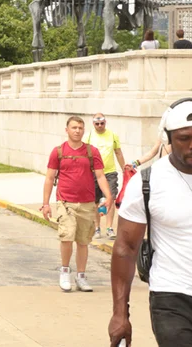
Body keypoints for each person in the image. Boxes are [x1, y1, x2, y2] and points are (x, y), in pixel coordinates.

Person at [109, 98, 192, 347]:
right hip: (173, 298)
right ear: (168, 139)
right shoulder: (147, 183)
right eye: (185, 138)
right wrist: (120, 313)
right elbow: (125, 248)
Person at [41, 116, 113, 292]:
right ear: (67, 130)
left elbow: (100, 176)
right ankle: (65, 271)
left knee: (83, 241)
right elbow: (50, 178)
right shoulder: (58, 152)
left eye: (80, 128)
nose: (77, 131)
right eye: (74, 127)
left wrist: (108, 196)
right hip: (66, 203)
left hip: (87, 203)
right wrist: (45, 203)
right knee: (67, 237)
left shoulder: (91, 152)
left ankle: (81, 276)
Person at [84, 113, 125, 240]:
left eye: (102, 123)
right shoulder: (88, 136)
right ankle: (97, 228)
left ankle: (109, 228)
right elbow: (84, 155)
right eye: (97, 124)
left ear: (105, 122)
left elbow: (118, 152)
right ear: (93, 124)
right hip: (94, 173)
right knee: (95, 201)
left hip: (110, 172)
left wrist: (124, 168)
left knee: (110, 198)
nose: (100, 126)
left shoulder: (112, 135)